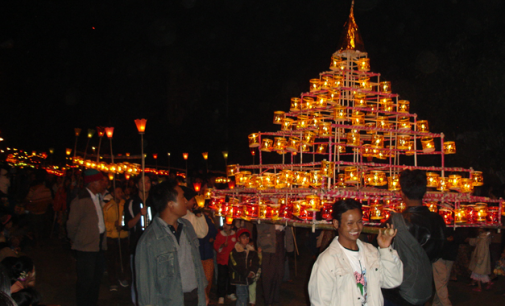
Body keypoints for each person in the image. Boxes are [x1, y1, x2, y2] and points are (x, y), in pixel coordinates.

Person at [308, 199, 403, 306]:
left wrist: (385, 249)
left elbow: (393, 280)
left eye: (359, 222)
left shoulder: (371, 252)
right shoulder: (327, 261)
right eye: (350, 223)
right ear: (336, 223)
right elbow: (319, 302)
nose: (356, 227)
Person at [135, 181, 208, 306]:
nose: (186, 201)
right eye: (182, 197)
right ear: (171, 204)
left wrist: (203, 292)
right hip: (169, 301)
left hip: (194, 296)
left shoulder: (187, 227)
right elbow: (145, 285)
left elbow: (196, 263)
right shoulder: (150, 240)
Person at [383, 169, 446, 306]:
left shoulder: (395, 222)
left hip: (398, 290)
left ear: (402, 194)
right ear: (424, 192)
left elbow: (381, 251)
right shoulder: (438, 220)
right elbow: (439, 253)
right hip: (423, 287)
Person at [66, 169, 108, 306]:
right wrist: (79, 239)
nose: (104, 183)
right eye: (100, 181)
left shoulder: (97, 197)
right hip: (86, 247)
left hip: (98, 244)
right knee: (85, 281)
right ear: (92, 183)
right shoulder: (81, 200)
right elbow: (71, 225)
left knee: (96, 279)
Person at [123, 175, 152, 304]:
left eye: (148, 182)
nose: (145, 185)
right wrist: (140, 214)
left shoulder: (155, 201)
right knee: (138, 278)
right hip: (137, 244)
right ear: (136, 185)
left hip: (153, 245)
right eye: (142, 182)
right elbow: (128, 225)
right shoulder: (131, 202)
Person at [103, 186, 129, 291]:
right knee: (112, 260)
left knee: (123, 259)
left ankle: (123, 277)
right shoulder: (107, 207)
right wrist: (113, 225)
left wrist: (123, 225)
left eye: (121, 191)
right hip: (112, 237)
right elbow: (103, 223)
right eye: (117, 192)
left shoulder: (125, 204)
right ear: (112, 194)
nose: (120, 194)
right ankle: (112, 280)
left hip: (123, 236)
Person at [432, 227, 466, 306]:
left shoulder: (457, 219)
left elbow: (462, 234)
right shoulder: (437, 219)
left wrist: (453, 237)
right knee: (441, 281)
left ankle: (437, 303)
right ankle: (445, 303)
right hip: (439, 253)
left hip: (449, 252)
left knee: (443, 281)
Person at [229, 228, 261, 306]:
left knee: (245, 296)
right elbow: (235, 265)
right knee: (242, 296)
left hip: (248, 279)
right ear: (238, 239)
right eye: (243, 237)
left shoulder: (251, 251)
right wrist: (246, 273)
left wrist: (252, 272)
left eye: (247, 237)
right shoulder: (234, 252)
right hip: (239, 279)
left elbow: (255, 262)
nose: (246, 239)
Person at [256, 222, 285, 306]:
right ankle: (268, 299)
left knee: (279, 271)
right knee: (268, 272)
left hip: (280, 236)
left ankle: (274, 297)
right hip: (268, 239)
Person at [214, 222, 237, 304]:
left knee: (231, 278)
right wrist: (222, 245)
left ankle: (230, 292)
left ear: (232, 226)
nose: (225, 226)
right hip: (222, 260)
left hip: (232, 261)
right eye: (224, 224)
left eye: (227, 225)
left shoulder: (234, 235)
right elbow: (216, 245)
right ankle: (221, 295)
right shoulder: (220, 235)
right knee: (222, 278)